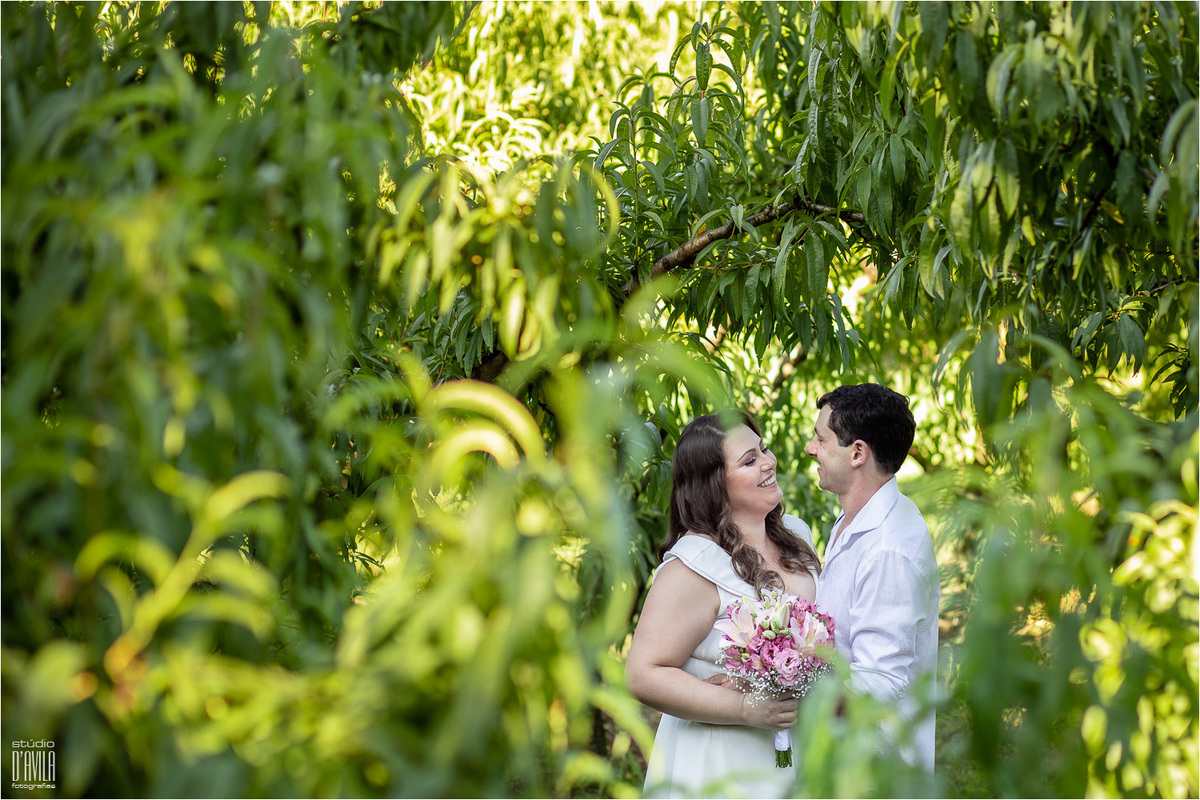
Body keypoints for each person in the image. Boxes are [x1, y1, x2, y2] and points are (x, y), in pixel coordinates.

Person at [627, 411, 822, 799]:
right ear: (714, 485)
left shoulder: (797, 535)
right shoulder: (693, 567)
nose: (769, 462)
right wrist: (744, 706)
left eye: (763, 449)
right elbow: (642, 674)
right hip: (723, 765)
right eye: (749, 460)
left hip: (800, 749)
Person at [804, 383, 940, 772]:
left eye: (821, 438)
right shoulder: (858, 517)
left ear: (858, 453)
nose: (812, 448)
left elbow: (879, 683)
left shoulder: (888, 548)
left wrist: (784, 693)